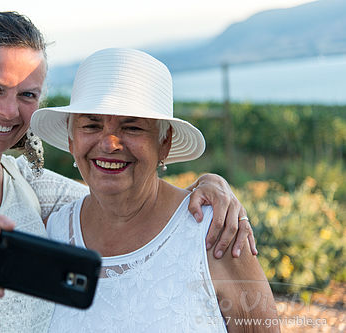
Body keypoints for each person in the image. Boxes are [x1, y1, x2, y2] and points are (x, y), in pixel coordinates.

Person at [0, 12, 254, 333]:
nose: (9, 111)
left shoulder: (32, 186)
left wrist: (210, 185)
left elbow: (122, 197)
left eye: (26, 95)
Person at [30, 48, 279, 332]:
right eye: (91, 125)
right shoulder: (52, 235)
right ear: (71, 139)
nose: (110, 143)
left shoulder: (215, 234)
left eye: (132, 128)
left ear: (165, 143)